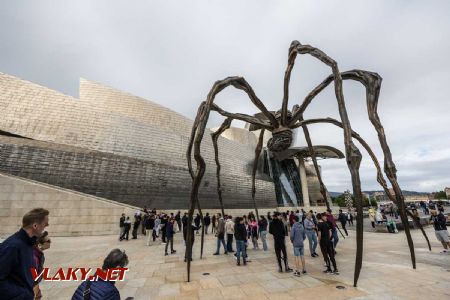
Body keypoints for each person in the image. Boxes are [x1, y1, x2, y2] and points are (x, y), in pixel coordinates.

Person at [0, 208, 49, 300]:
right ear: (35, 226)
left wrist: (34, 286)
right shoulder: (13, 246)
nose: (46, 226)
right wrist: (24, 294)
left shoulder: (28, 245)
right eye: (45, 225)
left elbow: (23, 274)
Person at [32, 231, 51, 300]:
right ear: (39, 244)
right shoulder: (34, 257)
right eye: (48, 241)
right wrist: (36, 289)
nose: (50, 242)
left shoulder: (38, 254)